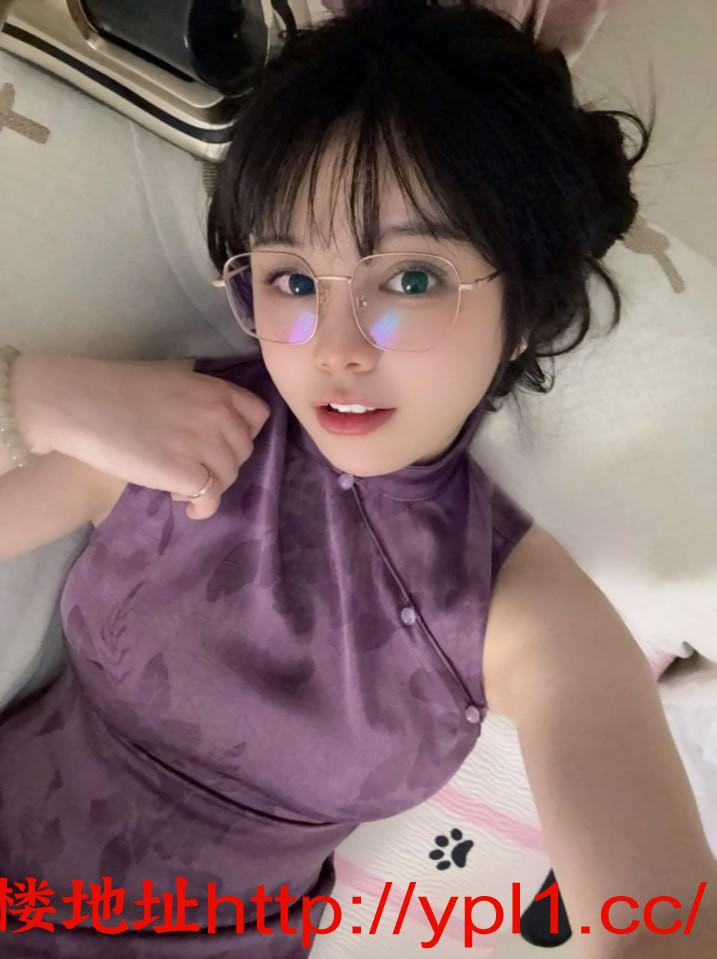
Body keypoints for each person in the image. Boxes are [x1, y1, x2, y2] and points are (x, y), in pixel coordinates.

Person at [0, 2, 715, 957]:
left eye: (411, 279)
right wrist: (38, 396)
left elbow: (661, 922)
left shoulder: (521, 614)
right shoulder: (177, 427)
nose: (335, 348)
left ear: (527, 307)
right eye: (292, 280)